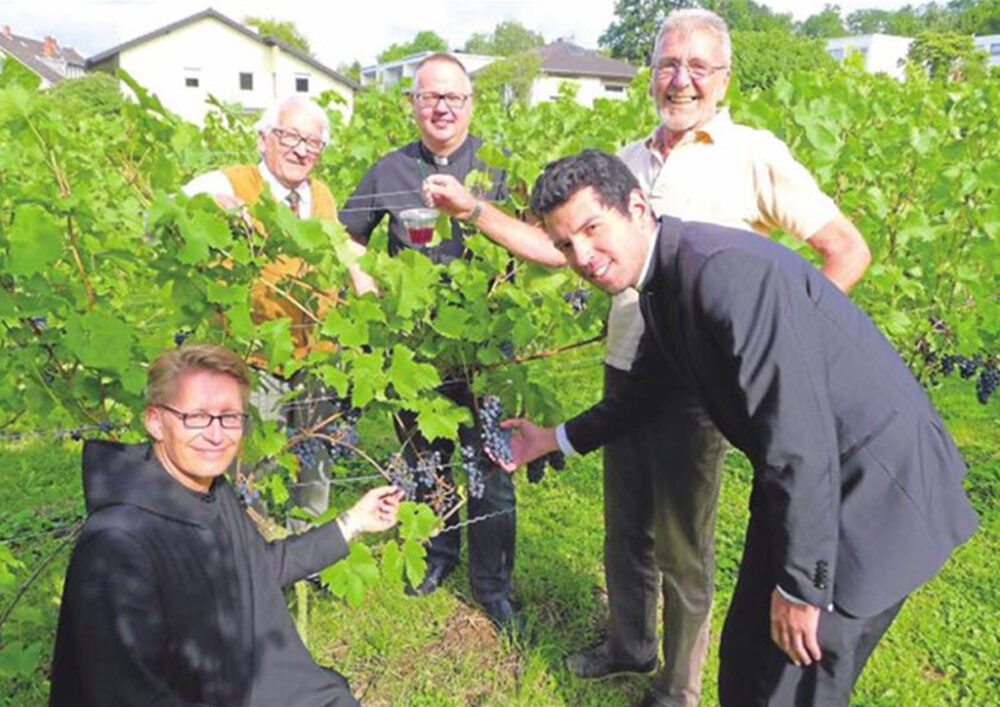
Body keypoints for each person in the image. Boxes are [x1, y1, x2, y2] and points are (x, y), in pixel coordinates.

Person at [424, 10, 871, 705]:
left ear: (723, 79)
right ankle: (629, 645)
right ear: (650, 73)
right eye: (668, 63)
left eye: (698, 66)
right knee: (624, 525)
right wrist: (473, 211)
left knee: (682, 547)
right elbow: (562, 248)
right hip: (625, 369)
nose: (681, 79)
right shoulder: (626, 162)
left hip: (697, 389)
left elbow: (846, 250)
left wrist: (784, 351)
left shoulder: (754, 154)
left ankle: (677, 687)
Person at [497, 150, 978, 707]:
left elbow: (800, 440)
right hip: (806, 485)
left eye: (590, 229)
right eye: (563, 245)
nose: (581, 256)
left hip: (873, 492)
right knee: (748, 658)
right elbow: (646, 393)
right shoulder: (664, 281)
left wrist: (802, 587)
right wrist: (552, 439)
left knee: (796, 683)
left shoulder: (723, 275)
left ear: (635, 206)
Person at [49, 344, 402, 707]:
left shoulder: (210, 490)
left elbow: (256, 568)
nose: (216, 435)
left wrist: (352, 521)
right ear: (155, 420)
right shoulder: (116, 544)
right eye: (197, 417)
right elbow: (128, 696)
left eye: (230, 416)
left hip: (257, 683)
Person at [338, 53, 518, 632]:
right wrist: (367, 286)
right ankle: (438, 556)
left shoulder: (498, 168)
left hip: (487, 351)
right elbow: (349, 235)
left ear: (470, 104)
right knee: (427, 462)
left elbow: (532, 243)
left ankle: (492, 586)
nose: (441, 107)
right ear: (413, 103)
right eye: (428, 96)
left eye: (453, 98)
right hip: (413, 353)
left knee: (491, 465)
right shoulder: (387, 171)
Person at [184, 95, 373, 522]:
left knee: (316, 453)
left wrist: (364, 284)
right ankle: (258, 550)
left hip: (317, 355)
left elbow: (341, 247)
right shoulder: (235, 181)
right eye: (291, 136)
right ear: (263, 138)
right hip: (257, 355)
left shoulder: (320, 193)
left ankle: (308, 542)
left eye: (313, 142)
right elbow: (175, 204)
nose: (302, 149)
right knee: (256, 461)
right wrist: (219, 205)